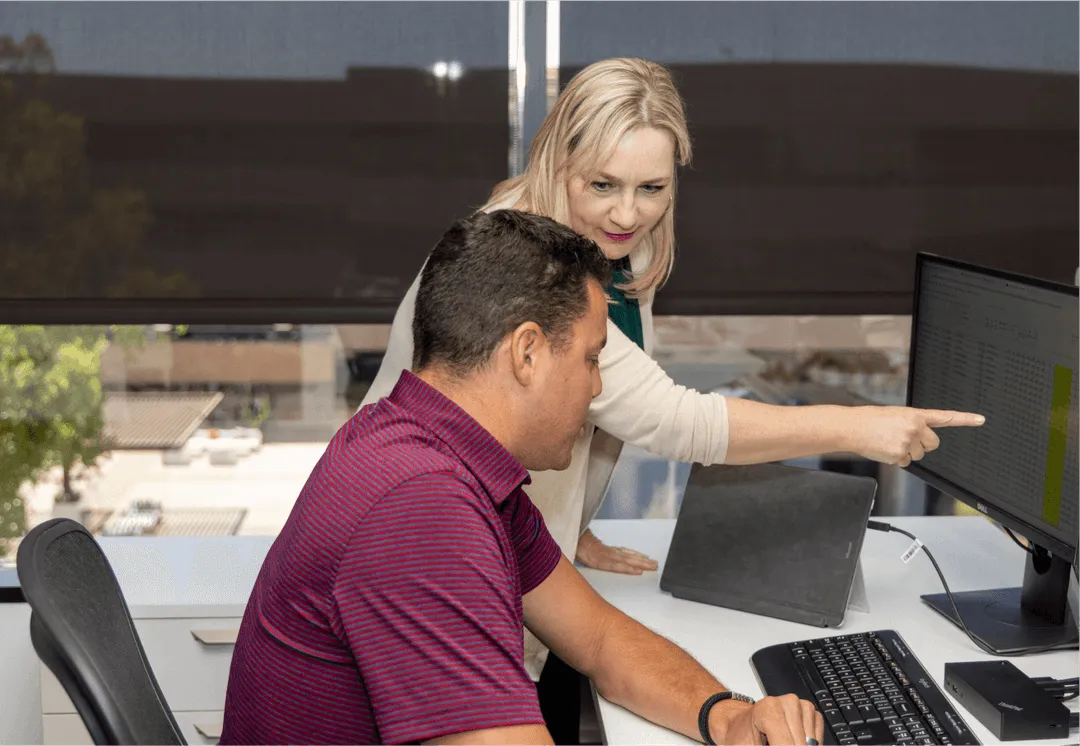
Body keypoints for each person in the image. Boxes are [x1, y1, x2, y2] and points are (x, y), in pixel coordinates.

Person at [358, 58, 986, 732]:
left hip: (517, 541)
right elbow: (669, 418)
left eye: (651, 187)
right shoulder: (523, 264)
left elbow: (588, 410)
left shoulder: (608, 241)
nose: (628, 212)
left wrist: (571, 528)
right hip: (435, 542)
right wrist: (857, 428)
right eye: (602, 184)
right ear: (556, 161)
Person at [219, 209, 826, 746]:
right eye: (591, 359)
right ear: (527, 353)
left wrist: (726, 717)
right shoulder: (422, 506)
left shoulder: (429, 443)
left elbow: (598, 637)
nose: (597, 386)